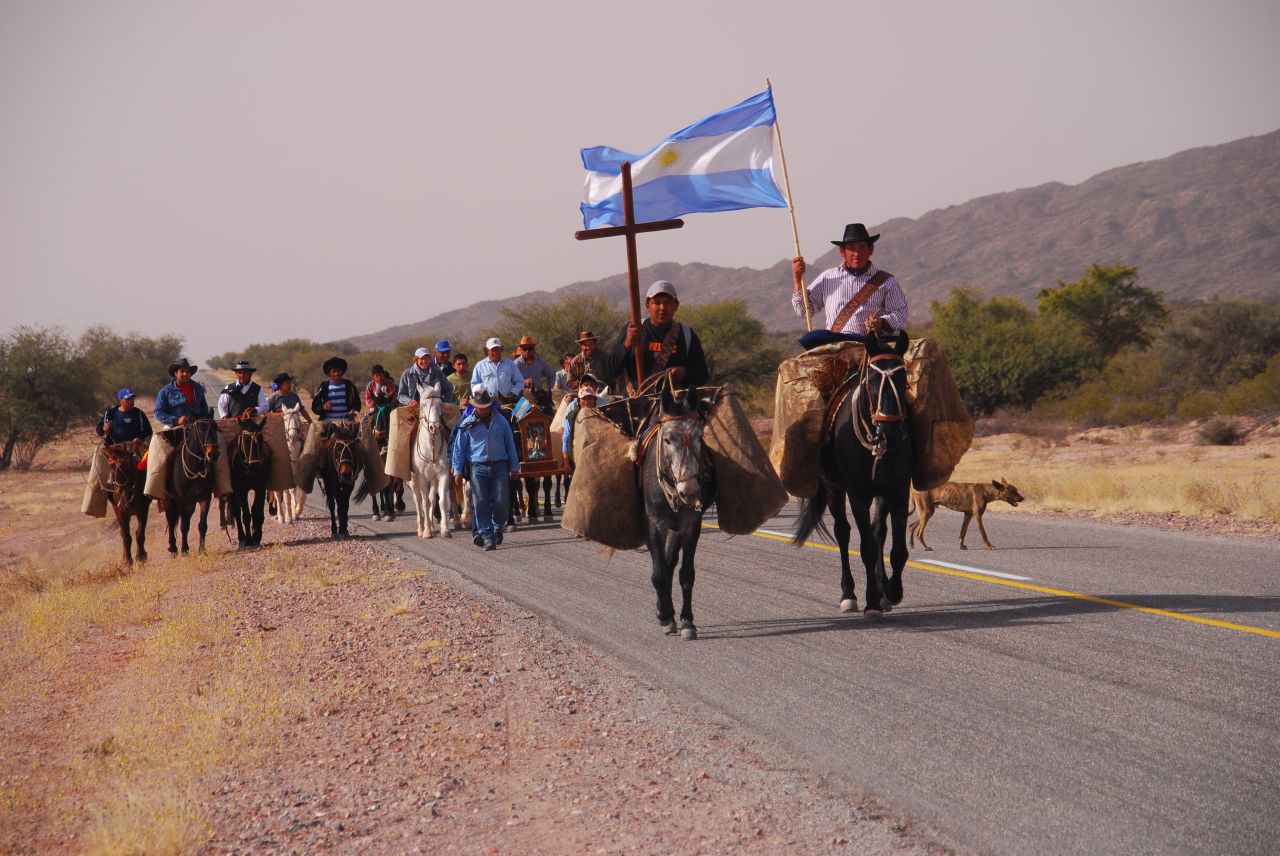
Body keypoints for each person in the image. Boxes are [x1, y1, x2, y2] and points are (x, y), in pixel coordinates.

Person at [791, 223, 908, 345]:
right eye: (851, 248)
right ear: (842, 251)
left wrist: (881, 323)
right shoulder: (827, 277)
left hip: (870, 344)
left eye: (862, 247)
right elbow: (804, 311)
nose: (857, 254)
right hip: (835, 345)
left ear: (871, 250)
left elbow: (901, 314)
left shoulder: (887, 281)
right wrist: (797, 280)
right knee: (811, 339)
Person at [603, 281, 710, 392]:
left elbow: (702, 375)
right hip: (636, 404)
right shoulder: (632, 330)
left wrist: (684, 373)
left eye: (668, 302)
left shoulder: (687, 334)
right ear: (647, 306)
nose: (662, 307)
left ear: (676, 306)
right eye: (657, 303)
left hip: (675, 404)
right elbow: (611, 370)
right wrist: (627, 343)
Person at [450, 389, 520, 551]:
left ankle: (497, 526)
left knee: (502, 502)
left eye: (486, 406)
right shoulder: (467, 423)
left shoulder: (501, 421)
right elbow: (459, 448)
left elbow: (510, 444)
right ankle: (488, 536)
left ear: (490, 406)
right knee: (480, 502)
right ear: (475, 407)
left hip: (500, 466)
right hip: (478, 467)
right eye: (479, 407)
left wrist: (514, 466)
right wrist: (458, 471)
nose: (482, 410)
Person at [155, 358, 211, 428]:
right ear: (176, 373)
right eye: (182, 371)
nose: (185, 374)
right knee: (158, 438)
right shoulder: (165, 391)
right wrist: (177, 420)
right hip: (174, 426)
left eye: (188, 371)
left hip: (197, 425)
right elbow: (158, 413)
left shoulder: (198, 388)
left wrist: (203, 420)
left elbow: (204, 409)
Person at [470, 337, 524, 403]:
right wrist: (483, 398)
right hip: (487, 404)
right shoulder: (480, 366)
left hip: (508, 402)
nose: (495, 352)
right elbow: (475, 385)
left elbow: (520, 382)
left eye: (498, 349)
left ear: (501, 350)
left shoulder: (510, 364)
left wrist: (513, 392)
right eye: (493, 350)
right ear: (487, 351)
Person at [311, 356, 361, 424]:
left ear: (342, 372)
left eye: (338, 371)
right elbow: (314, 407)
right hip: (327, 422)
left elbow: (358, 404)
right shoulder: (324, 387)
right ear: (329, 374)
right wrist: (323, 407)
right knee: (314, 430)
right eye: (334, 371)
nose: (336, 373)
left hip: (346, 422)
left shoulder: (350, 386)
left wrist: (353, 411)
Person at [561, 384, 598, 468]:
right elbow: (565, 440)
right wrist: (566, 463)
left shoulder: (600, 416)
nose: (587, 401)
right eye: (583, 398)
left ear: (594, 400)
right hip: (576, 461)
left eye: (590, 398)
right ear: (578, 401)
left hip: (595, 462)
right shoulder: (571, 417)